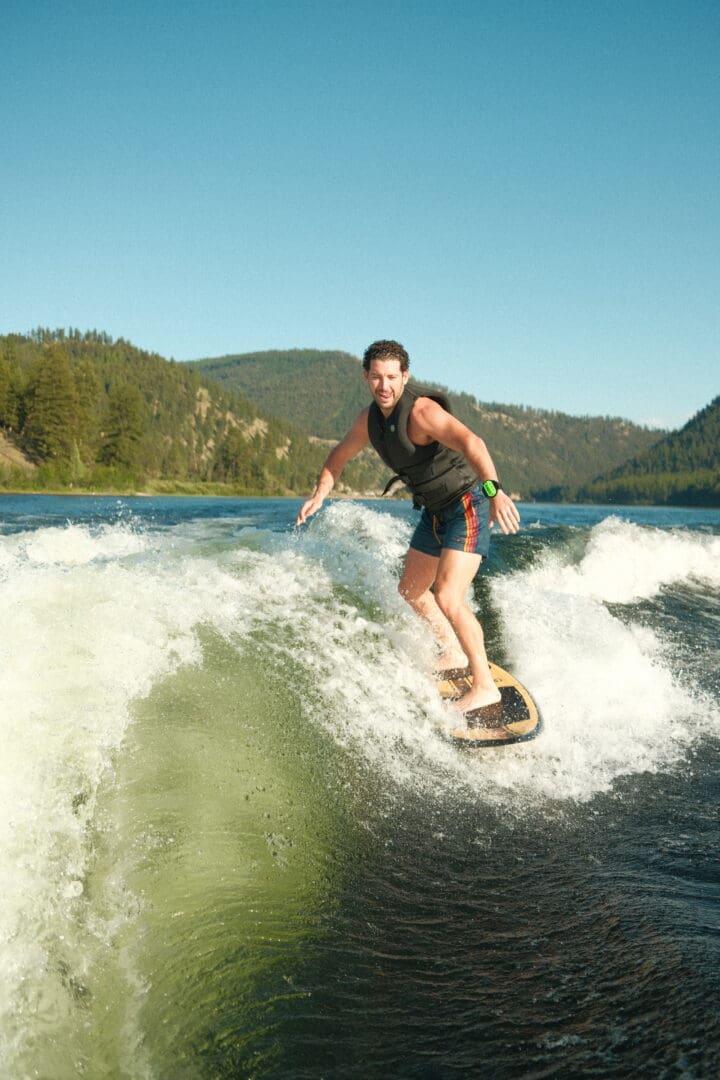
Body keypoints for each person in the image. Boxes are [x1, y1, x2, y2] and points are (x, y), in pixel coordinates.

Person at [294, 339, 520, 722]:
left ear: (405, 377)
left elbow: (472, 442)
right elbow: (340, 455)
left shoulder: (422, 412)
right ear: (366, 377)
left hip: (467, 505)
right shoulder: (368, 420)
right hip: (434, 512)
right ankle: (453, 649)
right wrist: (320, 494)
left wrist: (493, 491)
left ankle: (484, 685)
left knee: (448, 596)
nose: (385, 386)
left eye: (392, 377)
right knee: (412, 591)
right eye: (377, 377)